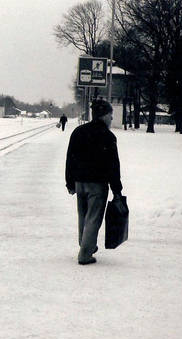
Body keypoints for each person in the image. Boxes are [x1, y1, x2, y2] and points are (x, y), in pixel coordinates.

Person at [65, 99, 123, 265]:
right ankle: (85, 254)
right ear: (104, 116)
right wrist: (117, 190)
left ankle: (85, 244)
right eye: (110, 116)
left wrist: (70, 182)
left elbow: (70, 158)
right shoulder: (108, 136)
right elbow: (113, 166)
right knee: (93, 219)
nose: (112, 119)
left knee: (83, 216)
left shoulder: (78, 132)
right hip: (97, 184)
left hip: (80, 182)